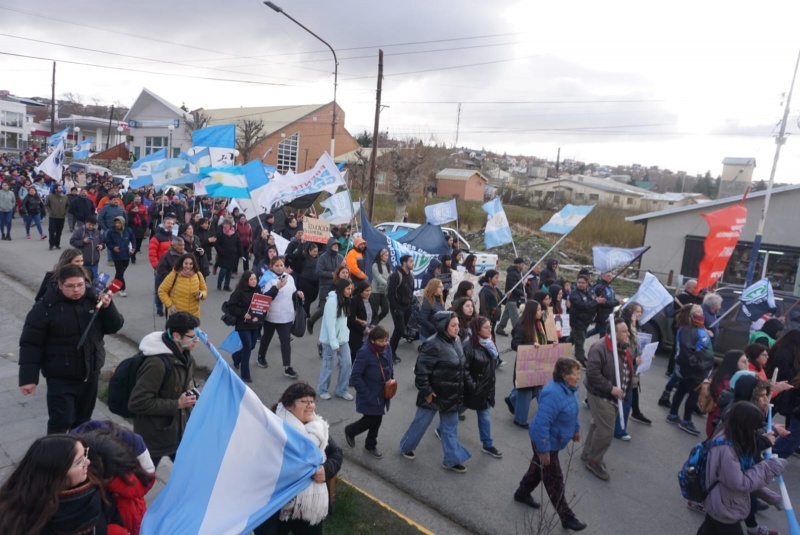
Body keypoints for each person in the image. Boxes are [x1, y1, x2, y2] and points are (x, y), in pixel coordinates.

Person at [19, 264, 123, 434]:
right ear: (60, 285)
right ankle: (56, 456)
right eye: (70, 286)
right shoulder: (45, 307)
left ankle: (80, 455)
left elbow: (114, 327)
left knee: (83, 422)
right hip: (60, 377)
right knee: (61, 421)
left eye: (80, 285)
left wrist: (108, 308)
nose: (76, 290)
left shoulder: (94, 299)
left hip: (90, 373)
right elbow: (31, 343)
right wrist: (28, 378)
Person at [253, 383, 343, 535]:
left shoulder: (317, 428)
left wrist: (326, 470)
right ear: (289, 406)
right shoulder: (275, 429)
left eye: (312, 401)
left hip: (309, 508)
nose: (310, 406)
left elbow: (337, 453)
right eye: (304, 401)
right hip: (278, 505)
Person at [514, 358, 587, 532]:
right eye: (574, 374)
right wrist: (544, 450)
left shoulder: (570, 389)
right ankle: (567, 516)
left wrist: (576, 429)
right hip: (545, 442)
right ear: (563, 375)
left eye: (578, 373)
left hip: (553, 441)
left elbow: (573, 411)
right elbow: (541, 425)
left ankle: (522, 493)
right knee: (555, 479)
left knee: (538, 469)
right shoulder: (553, 393)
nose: (578, 377)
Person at [0, 435, 127, 534]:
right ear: (56, 473)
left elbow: (114, 518)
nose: (87, 462)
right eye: (79, 462)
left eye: (85, 454)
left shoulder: (96, 487)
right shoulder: (24, 516)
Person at [698, 402, 786, 535]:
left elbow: (743, 474)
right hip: (725, 507)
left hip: (719, 501)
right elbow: (740, 482)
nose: (755, 432)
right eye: (754, 428)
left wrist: (772, 497)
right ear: (746, 426)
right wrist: (769, 467)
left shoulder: (729, 434)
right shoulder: (727, 449)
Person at [399, 311, 472, 473]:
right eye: (453, 325)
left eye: (458, 325)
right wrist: (426, 391)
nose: (457, 329)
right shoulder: (432, 344)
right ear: (443, 326)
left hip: (451, 394)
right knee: (420, 424)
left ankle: (452, 460)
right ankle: (406, 447)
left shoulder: (457, 340)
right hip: (433, 395)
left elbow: (462, 366)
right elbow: (421, 371)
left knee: (450, 428)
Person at [128, 312, 200, 468]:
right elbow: (137, 403)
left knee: (189, 473)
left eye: (198, 335)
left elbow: (178, 389)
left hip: (179, 434)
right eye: (192, 337)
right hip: (153, 440)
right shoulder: (156, 364)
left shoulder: (187, 357)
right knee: (140, 483)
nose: (197, 340)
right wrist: (177, 404)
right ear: (176, 336)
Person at [75, 425, 156, 535]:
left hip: (132, 515)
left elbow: (147, 479)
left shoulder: (133, 442)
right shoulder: (70, 469)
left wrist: (115, 483)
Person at [582, 318, 632, 481]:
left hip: (614, 396)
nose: (628, 333)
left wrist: (637, 362)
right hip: (601, 395)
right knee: (606, 431)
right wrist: (611, 388)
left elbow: (624, 367)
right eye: (624, 331)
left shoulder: (622, 346)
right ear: (613, 333)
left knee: (598, 424)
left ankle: (588, 452)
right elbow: (592, 373)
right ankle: (594, 461)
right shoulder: (600, 348)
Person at [345, 326, 394, 458]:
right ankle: (351, 431)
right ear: (372, 340)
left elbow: (389, 363)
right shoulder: (364, 352)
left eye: (386, 340)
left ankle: (370, 444)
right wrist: (366, 394)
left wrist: (391, 379)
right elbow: (355, 376)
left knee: (377, 418)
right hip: (370, 393)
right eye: (381, 341)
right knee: (371, 419)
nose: (385, 344)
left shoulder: (386, 347)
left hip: (382, 392)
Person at [666, 305, 714, 436]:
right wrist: (697, 367)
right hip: (693, 370)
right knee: (694, 394)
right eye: (698, 312)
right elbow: (686, 352)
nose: (702, 314)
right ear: (691, 315)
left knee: (682, 389)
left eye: (702, 311)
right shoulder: (688, 330)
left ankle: (673, 414)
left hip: (693, 368)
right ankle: (686, 420)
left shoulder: (694, 328)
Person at [256, 255, 304, 379]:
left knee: (285, 341)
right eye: (276, 265)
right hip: (272, 314)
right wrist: (276, 287)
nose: (279, 268)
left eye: (281, 265)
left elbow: (293, 292)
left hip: (287, 315)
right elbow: (265, 297)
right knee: (267, 337)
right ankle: (261, 356)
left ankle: (287, 367)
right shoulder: (267, 279)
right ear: (271, 266)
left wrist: (298, 293)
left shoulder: (289, 278)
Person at [463, 316, 503, 458]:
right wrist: (473, 386)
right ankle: (442, 429)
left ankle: (487, 444)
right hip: (472, 390)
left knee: (484, 415)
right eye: (486, 327)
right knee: (456, 411)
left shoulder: (489, 344)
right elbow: (463, 369)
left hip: (486, 388)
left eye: (490, 327)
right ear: (477, 330)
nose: (490, 330)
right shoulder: (468, 346)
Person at [506, 300, 549, 428]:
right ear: (531, 311)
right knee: (526, 391)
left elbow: (544, 340)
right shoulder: (523, 325)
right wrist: (531, 345)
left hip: (539, 363)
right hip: (526, 364)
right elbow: (514, 344)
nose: (541, 312)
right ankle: (520, 420)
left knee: (536, 388)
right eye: (538, 310)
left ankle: (513, 400)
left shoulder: (539, 324)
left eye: (541, 309)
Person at [615, 302, 652, 439]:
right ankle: (619, 430)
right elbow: (622, 348)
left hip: (631, 367)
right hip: (624, 367)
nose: (639, 315)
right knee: (624, 400)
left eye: (641, 312)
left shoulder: (635, 326)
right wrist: (634, 359)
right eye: (637, 312)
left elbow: (635, 347)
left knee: (625, 399)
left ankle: (620, 428)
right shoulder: (623, 326)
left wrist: (645, 355)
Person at [318, 278, 354, 400]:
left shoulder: (345, 300)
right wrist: (334, 343)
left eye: (351, 289)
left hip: (343, 339)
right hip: (330, 341)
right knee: (328, 365)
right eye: (348, 289)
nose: (350, 291)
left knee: (347, 363)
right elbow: (330, 324)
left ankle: (341, 390)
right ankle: (322, 389)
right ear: (341, 288)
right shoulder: (332, 302)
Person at [226, 271, 264, 383]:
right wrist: (243, 313)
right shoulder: (239, 292)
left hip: (254, 323)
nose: (254, 281)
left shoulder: (258, 289)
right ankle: (245, 374)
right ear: (246, 280)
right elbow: (231, 307)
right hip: (243, 324)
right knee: (247, 346)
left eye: (255, 279)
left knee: (252, 345)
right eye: (251, 279)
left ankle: (236, 357)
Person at [706, 350, 749, 437]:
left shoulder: (730, 378)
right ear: (734, 363)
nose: (747, 364)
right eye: (744, 362)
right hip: (720, 422)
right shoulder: (726, 383)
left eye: (747, 361)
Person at [158, 252, 208, 319]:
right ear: (181, 263)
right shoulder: (174, 274)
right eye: (186, 263)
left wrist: (201, 295)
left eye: (191, 264)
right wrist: (169, 305)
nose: (188, 266)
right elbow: (161, 290)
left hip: (193, 316)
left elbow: (204, 290)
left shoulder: (198, 275)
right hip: (177, 315)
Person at [308, 238, 343, 333]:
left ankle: (333, 330)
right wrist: (333, 274)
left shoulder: (340, 257)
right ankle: (311, 321)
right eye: (334, 245)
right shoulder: (322, 257)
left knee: (337, 309)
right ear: (329, 246)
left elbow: (343, 270)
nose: (336, 247)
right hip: (326, 286)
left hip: (337, 286)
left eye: (337, 245)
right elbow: (319, 271)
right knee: (323, 309)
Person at [387, 254, 415, 365]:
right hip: (398, 308)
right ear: (404, 262)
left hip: (407, 307)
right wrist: (396, 308)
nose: (413, 263)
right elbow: (391, 293)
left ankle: (390, 351)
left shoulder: (410, 275)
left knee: (400, 330)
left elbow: (411, 291)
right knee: (399, 330)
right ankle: (390, 353)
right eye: (411, 261)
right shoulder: (396, 275)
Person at [569, 274, 600, 366]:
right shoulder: (574, 294)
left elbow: (592, 302)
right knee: (580, 340)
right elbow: (583, 305)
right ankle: (580, 359)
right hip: (577, 321)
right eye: (579, 282)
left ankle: (561, 347)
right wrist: (595, 302)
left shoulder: (588, 292)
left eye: (583, 283)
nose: (580, 284)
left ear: (587, 283)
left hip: (586, 321)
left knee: (573, 338)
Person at [105, 215, 136, 297]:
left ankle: (112, 287)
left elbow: (133, 240)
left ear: (123, 223)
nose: (117, 224)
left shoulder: (128, 230)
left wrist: (133, 248)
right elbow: (108, 242)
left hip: (126, 255)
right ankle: (122, 289)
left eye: (119, 223)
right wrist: (113, 248)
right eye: (116, 223)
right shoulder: (111, 232)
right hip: (116, 256)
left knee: (119, 273)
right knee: (120, 272)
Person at [496, 257, 526, 336]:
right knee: (515, 316)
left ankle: (500, 328)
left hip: (514, 298)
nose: (523, 266)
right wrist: (522, 293)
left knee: (506, 314)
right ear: (518, 264)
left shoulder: (517, 273)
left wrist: (521, 284)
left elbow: (517, 284)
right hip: (511, 298)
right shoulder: (512, 274)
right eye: (522, 264)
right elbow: (513, 288)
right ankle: (518, 333)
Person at [214, 219, 243, 291]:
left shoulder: (235, 233)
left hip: (233, 255)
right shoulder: (220, 233)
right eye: (224, 224)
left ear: (230, 225)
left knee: (229, 271)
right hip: (223, 255)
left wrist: (241, 253)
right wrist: (220, 251)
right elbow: (216, 243)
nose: (225, 225)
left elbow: (239, 244)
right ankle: (219, 283)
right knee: (223, 270)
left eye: (227, 224)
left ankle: (226, 285)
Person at [348, 280, 374, 360]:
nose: (369, 293)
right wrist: (364, 329)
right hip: (357, 335)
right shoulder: (354, 301)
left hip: (369, 333)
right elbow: (351, 320)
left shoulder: (371, 299)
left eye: (370, 290)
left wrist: (373, 326)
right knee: (356, 357)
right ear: (361, 291)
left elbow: (375, 314)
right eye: (366, 291)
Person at [296, 242, 320, 318]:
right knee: (308, 298)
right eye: (314, 251)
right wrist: (301, 243)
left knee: (314, 297)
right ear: (309, 251)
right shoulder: (305, 257)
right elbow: (299, 253)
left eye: (316, 251)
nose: (315, 253)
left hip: (315, 281)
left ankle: (303, 308)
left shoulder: (319, 258)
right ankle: (306, 314)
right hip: (306, 280)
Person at [593, 271, 620, 338]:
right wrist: (617, 302)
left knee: (596, 330)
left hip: (608, 313)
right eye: (608, 276)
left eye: (611, 276)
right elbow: (604, 303)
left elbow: (612, 299)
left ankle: (573, 339)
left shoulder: (609, 286)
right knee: (604, 336)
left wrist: (618, 301)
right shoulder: (600, 287)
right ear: (602, 276)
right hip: (602, 314)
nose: (610, 277)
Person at [44, 183, 70, 250]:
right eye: (59, 188)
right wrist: (50, 211)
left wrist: (65, 212)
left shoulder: (65, 197)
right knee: (52, 231)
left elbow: (68, 205)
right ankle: (51, 244)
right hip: (53, 217)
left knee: (59, 231)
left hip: (61, 217)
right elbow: (46, 205)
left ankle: (57, 243)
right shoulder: (50, 196)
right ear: (55, 189)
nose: (60, 189)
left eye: (61, 188)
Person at [479, 269, 503, 338]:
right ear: (490, 279)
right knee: (488, 336)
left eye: (498, 278)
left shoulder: (496, 289)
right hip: (488, 320)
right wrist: (487, 321)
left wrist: (507, 295)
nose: (497, 280)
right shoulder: (484, 291)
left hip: (494, 319)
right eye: (496, 278)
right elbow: (484, 308)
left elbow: (502, 300)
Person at [126, 195, 149, 265]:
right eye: (135, 209)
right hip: (132, 233)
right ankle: (132, 256)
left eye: (137, 209)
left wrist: (144, 230)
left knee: (138, 246)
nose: (136, 210)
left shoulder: (140, 216)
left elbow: (145, 223)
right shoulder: (128, 216)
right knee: (133, 246)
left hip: (140, 233)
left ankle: (133, 254)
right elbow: (126, 224)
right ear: (131, 210)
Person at [370, 248, 391, 324]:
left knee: (385, 310)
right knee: (374, 311)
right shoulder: (375, 265)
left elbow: (390, 277)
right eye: (385, 255)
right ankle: (372, 325)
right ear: (381, 256)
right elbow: (378, 278)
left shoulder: (387, 265)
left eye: (388, 255)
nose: (387, 257)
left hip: (384, 292)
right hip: (375, 291)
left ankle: (375, 323)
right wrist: (388, 284)